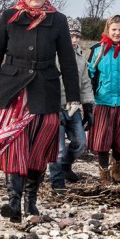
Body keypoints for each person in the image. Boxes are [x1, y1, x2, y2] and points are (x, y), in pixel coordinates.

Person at [0, 0, 81, 222]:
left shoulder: (58, 20)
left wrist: (74, 97)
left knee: (38, 149)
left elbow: (67, 61)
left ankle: (30, 202)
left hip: (45, 90)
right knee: (14, 147)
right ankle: (13, 203)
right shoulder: (9, 17)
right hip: (13, 89)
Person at [86, 14, 120, 185]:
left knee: (119, 141)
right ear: (107, 30)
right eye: (114, 30)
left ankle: (116, 167)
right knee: (102, 141)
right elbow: (90, 77)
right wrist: (87, 101)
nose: (117, 33)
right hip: (103, 102)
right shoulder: (97, 50)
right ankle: (104, 173)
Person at [48, 18, 95, 194]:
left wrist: (88, 106)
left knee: (80, 142)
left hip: (73, 106)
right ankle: (57, 181)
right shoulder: (53, 53)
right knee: (58, 147)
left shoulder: (81, 56)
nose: (74, 40)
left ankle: (65, 166)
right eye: (70, 36)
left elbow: (84, 81)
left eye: (77, 36)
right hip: (55, 105)